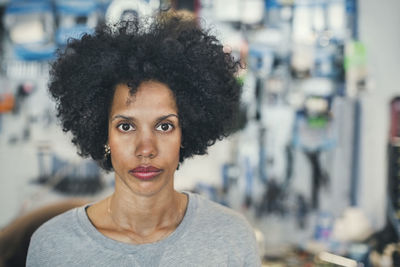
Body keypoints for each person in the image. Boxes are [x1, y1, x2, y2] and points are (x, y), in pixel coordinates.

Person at [26, 11, 261, 266]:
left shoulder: (231, 239)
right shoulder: (54, 246)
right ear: (103, 134)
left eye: (164, 126)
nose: (145, 149)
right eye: (126, 126)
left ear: (186, 134)